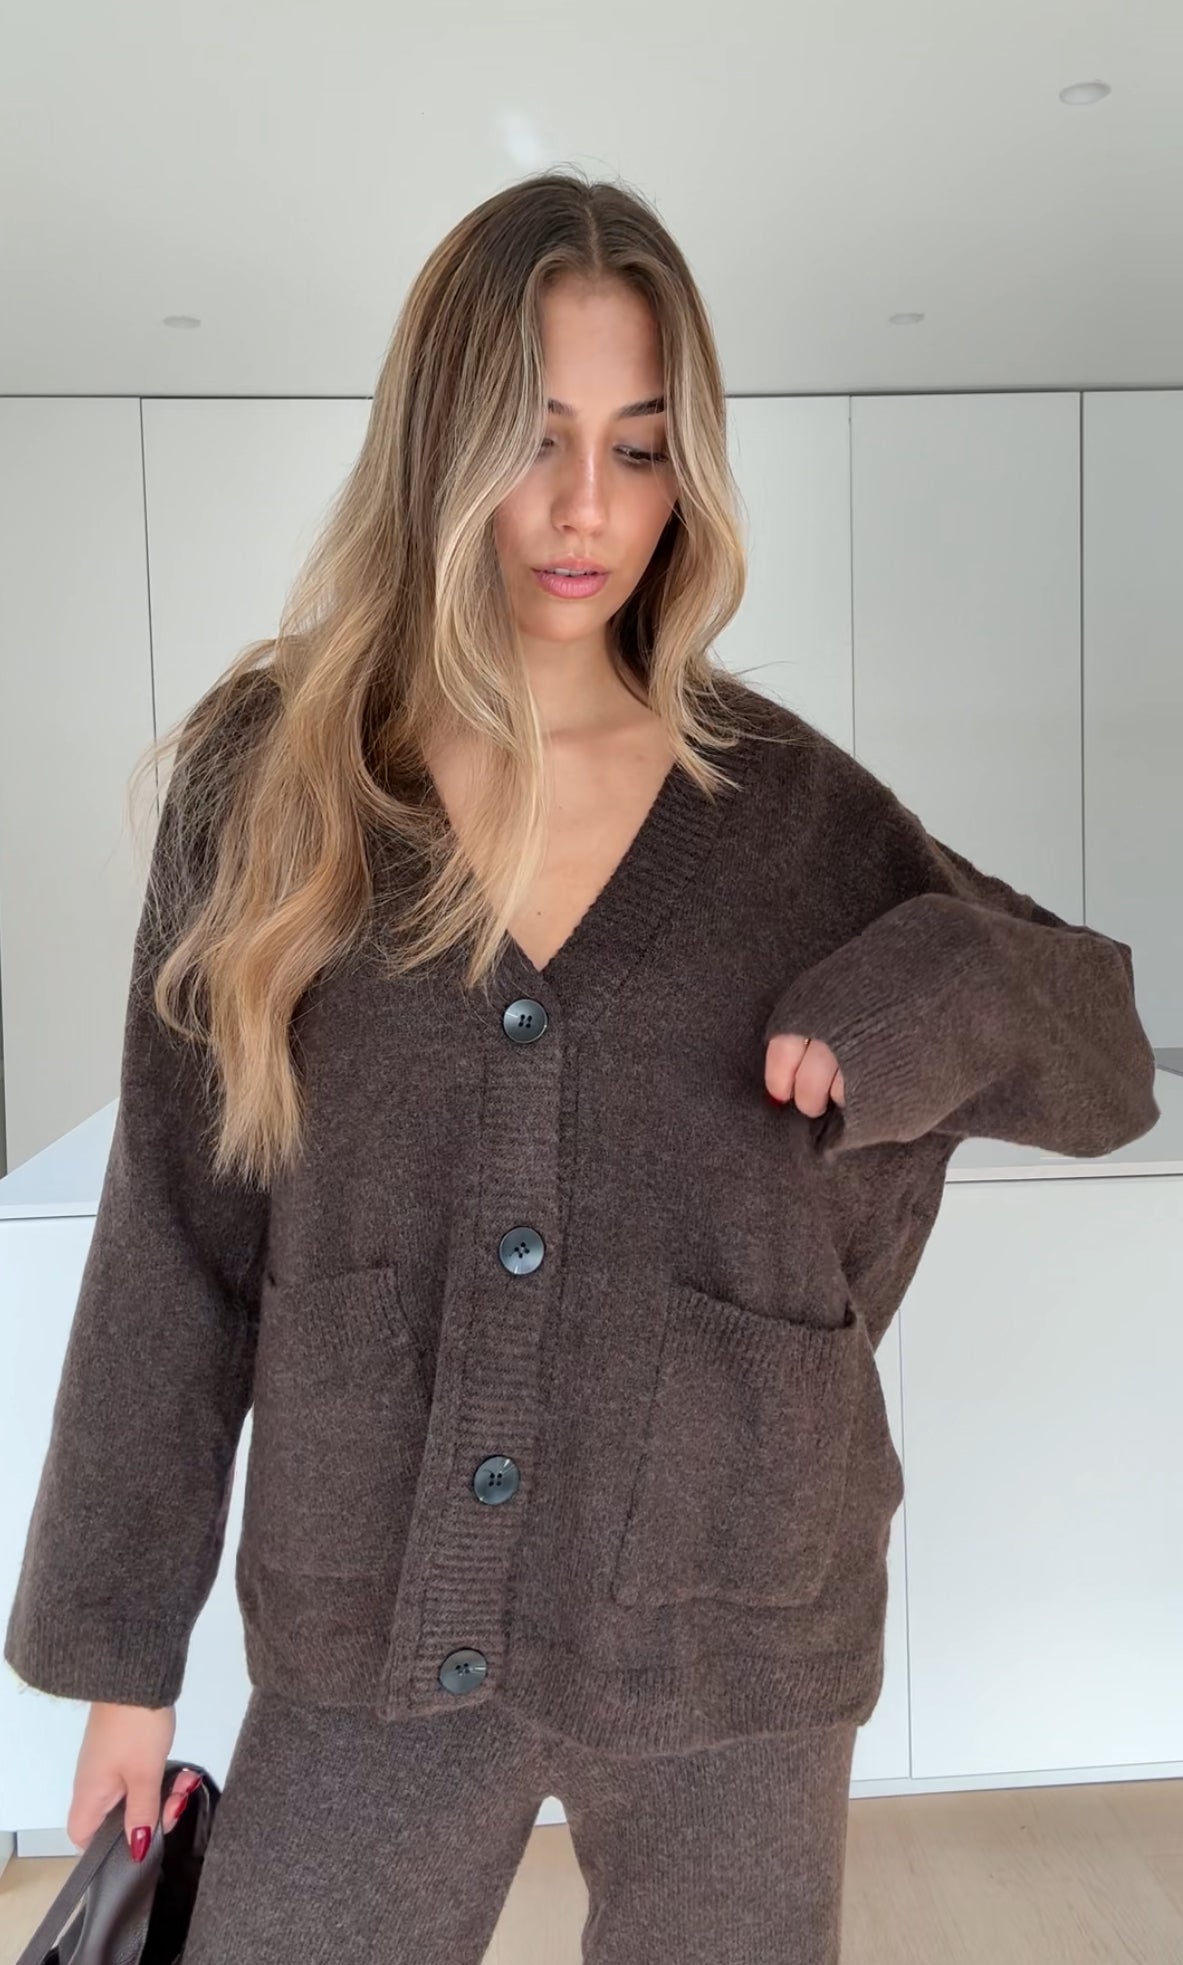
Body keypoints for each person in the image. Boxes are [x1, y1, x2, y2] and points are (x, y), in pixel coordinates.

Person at [4, 168, 1160, 1964]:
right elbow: (176, 1236)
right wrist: (123, 1669)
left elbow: (1104, 1049)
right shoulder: (277, 778)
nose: (585, 509)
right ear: (438, 444)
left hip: (734, 1611)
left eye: (640, 447)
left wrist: (926, 994)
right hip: (370, 1607)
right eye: (535, 438)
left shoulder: (789, 813)